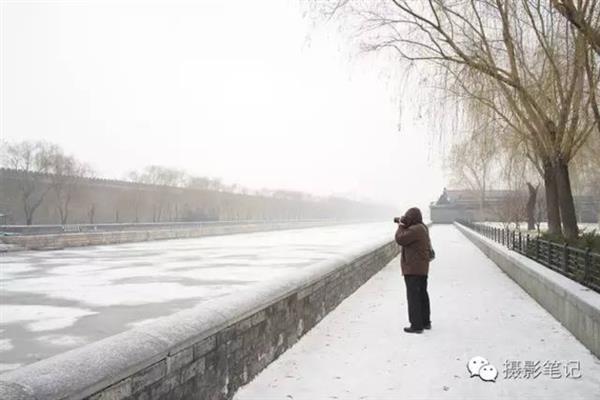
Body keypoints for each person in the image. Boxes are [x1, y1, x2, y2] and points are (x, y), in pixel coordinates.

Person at [394, 207, 432, 334]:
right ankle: (425, 322)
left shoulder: (415, 230)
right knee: (422, 295)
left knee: (413, 297)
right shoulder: (422, 227)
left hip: (413, 268)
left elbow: (400, 239)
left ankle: (416, 325)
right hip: (421, 267)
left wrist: (401, 225)